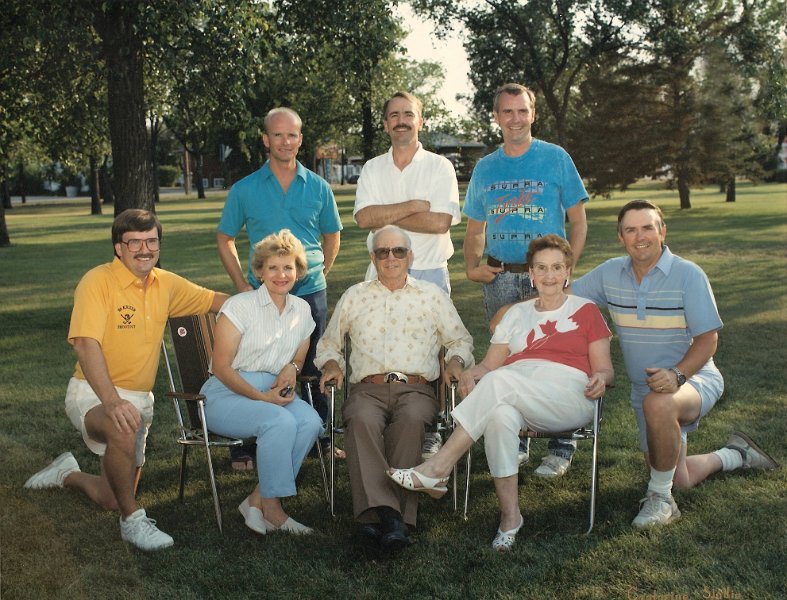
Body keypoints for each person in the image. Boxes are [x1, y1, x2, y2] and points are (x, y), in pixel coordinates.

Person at [387, 234, 614, 551]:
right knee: (498, 415)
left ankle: (439, 466)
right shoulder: (516, 314)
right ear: (531, 274)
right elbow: (489, 366)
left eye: (557, 268)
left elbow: (604, 367)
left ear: (568, 272)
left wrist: (601, 378)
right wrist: (471, 372)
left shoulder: (586, 311)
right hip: (518, 391)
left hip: (569, 394)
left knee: (499, 384)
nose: (549, 275)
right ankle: (510, 518)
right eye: (541, 268)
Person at [24, 209, 229, 551]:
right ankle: (132, 522)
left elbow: (216, 302)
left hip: (138, 400)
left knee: (109, 497)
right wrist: (112, 401)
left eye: (151, 241)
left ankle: (66, 473)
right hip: (93, 393)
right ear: (119, 248)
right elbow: (86, 345)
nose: (144, 249)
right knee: (122, 429)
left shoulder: (166, 283)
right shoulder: (97, 281)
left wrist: (270, 300)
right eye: (134, 242)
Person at [570, 199, 778, 528]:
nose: (640, 237)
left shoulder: (688, 275)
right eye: (631, 230)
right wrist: (515, 312)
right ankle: (736, 454)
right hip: (646, 389)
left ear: (662, 231)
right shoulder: (609, 273)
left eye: (648, 228)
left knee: (660, 406)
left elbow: (708, 340)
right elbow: (563, 296)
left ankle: (661, 501)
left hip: (694, 379)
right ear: (620, 237)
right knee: (678, 476)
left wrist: (678, 374)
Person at [315, 225, 473, 552]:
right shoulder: (355, 296)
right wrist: (332, 364)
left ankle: (377, 518)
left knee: (412, 420)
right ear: (373, 257)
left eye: (398, 251)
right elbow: (328, 344)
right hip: (367, 389)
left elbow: (460, 339)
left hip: (416, 390)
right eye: (382, 251)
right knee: (359, 419)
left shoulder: (431, 296)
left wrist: (456, 361)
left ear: (410, 256)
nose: (390, 258)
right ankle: (393, 518)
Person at [462, 82, 589, 475]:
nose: (515, 119)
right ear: (496, 117)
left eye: (522, 111)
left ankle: (561, 445)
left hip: (548, 277)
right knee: (508, 355)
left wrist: (566, 271)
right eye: (507, 112)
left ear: (532, 114)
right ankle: (514, 436)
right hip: (502, 276)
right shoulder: (486, 167)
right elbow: (474, 228)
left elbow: (579, 221)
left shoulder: (555, 158)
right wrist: (471, 265)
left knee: (558, 353)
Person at [216, 107, 342, 470]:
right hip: (262, 292)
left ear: (300, 140)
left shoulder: (318, 187)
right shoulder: (245, 189)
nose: (285, 142)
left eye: (292, 135)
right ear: (265, 139)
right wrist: (242, 284)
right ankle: (246, 442)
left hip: (309, 292)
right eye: (277, 135)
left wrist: (319, 272)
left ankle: (321, 435)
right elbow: (225, 238)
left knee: (313, 366)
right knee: (255, 362)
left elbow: (332, 235)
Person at [353, 90, 462, 460]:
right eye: (394, 115)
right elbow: (363, 219)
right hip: (381, 270)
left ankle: (431, 428)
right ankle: (387, 422)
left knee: (433, 356)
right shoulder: (372, 168)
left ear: (421, 121)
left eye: (408, 114)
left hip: (429, 271)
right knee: (384, 351)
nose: (401, 120)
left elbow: (440, 222)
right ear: (386, 124)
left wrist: (387, 213)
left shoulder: (439, 167)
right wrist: (414, 206)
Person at [200, 230, 323, 535]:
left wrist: (291, 369)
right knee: (279, 421)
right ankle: (274, 510)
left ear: (298, 272)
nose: (281, 275)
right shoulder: (240, 307)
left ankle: (257, 499)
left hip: (272, 391)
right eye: (273, 268)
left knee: (310, 422)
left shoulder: (303, 310)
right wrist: (263, 398)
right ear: (259, 271)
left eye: (288, 267)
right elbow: (222, 367)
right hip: (224, 393)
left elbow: (297, 358)